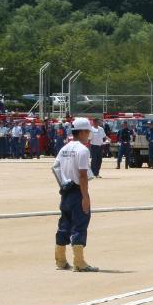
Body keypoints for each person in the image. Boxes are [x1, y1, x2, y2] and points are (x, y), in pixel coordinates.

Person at [52, 117, 98, 272]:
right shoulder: (83, 150)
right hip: (78, 191)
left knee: (64, 224)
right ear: (83, 131)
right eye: (88, 132)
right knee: (80, 224)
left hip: (65, 192)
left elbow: (55, 168)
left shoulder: (64, 149)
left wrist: (63, 184)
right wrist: (85, 197)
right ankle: (79, 262)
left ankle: (60, 260)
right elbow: (83, 175)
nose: (89, 134)